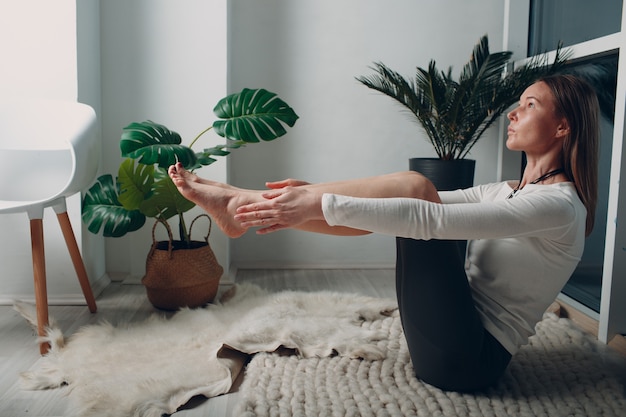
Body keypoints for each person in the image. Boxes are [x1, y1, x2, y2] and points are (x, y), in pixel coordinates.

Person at [168, 74, 599, 392]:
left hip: (466, 360)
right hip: (447, 331)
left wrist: (317, 202)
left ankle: (242, 205)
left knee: (414, 192)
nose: (513, 112)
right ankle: (242, 204)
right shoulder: (508, 191)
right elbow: (416, 206)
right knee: (410, 194)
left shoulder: (557, 206)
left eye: (530, 105)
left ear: (563, 128)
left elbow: (429, 220)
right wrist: (313, 195)